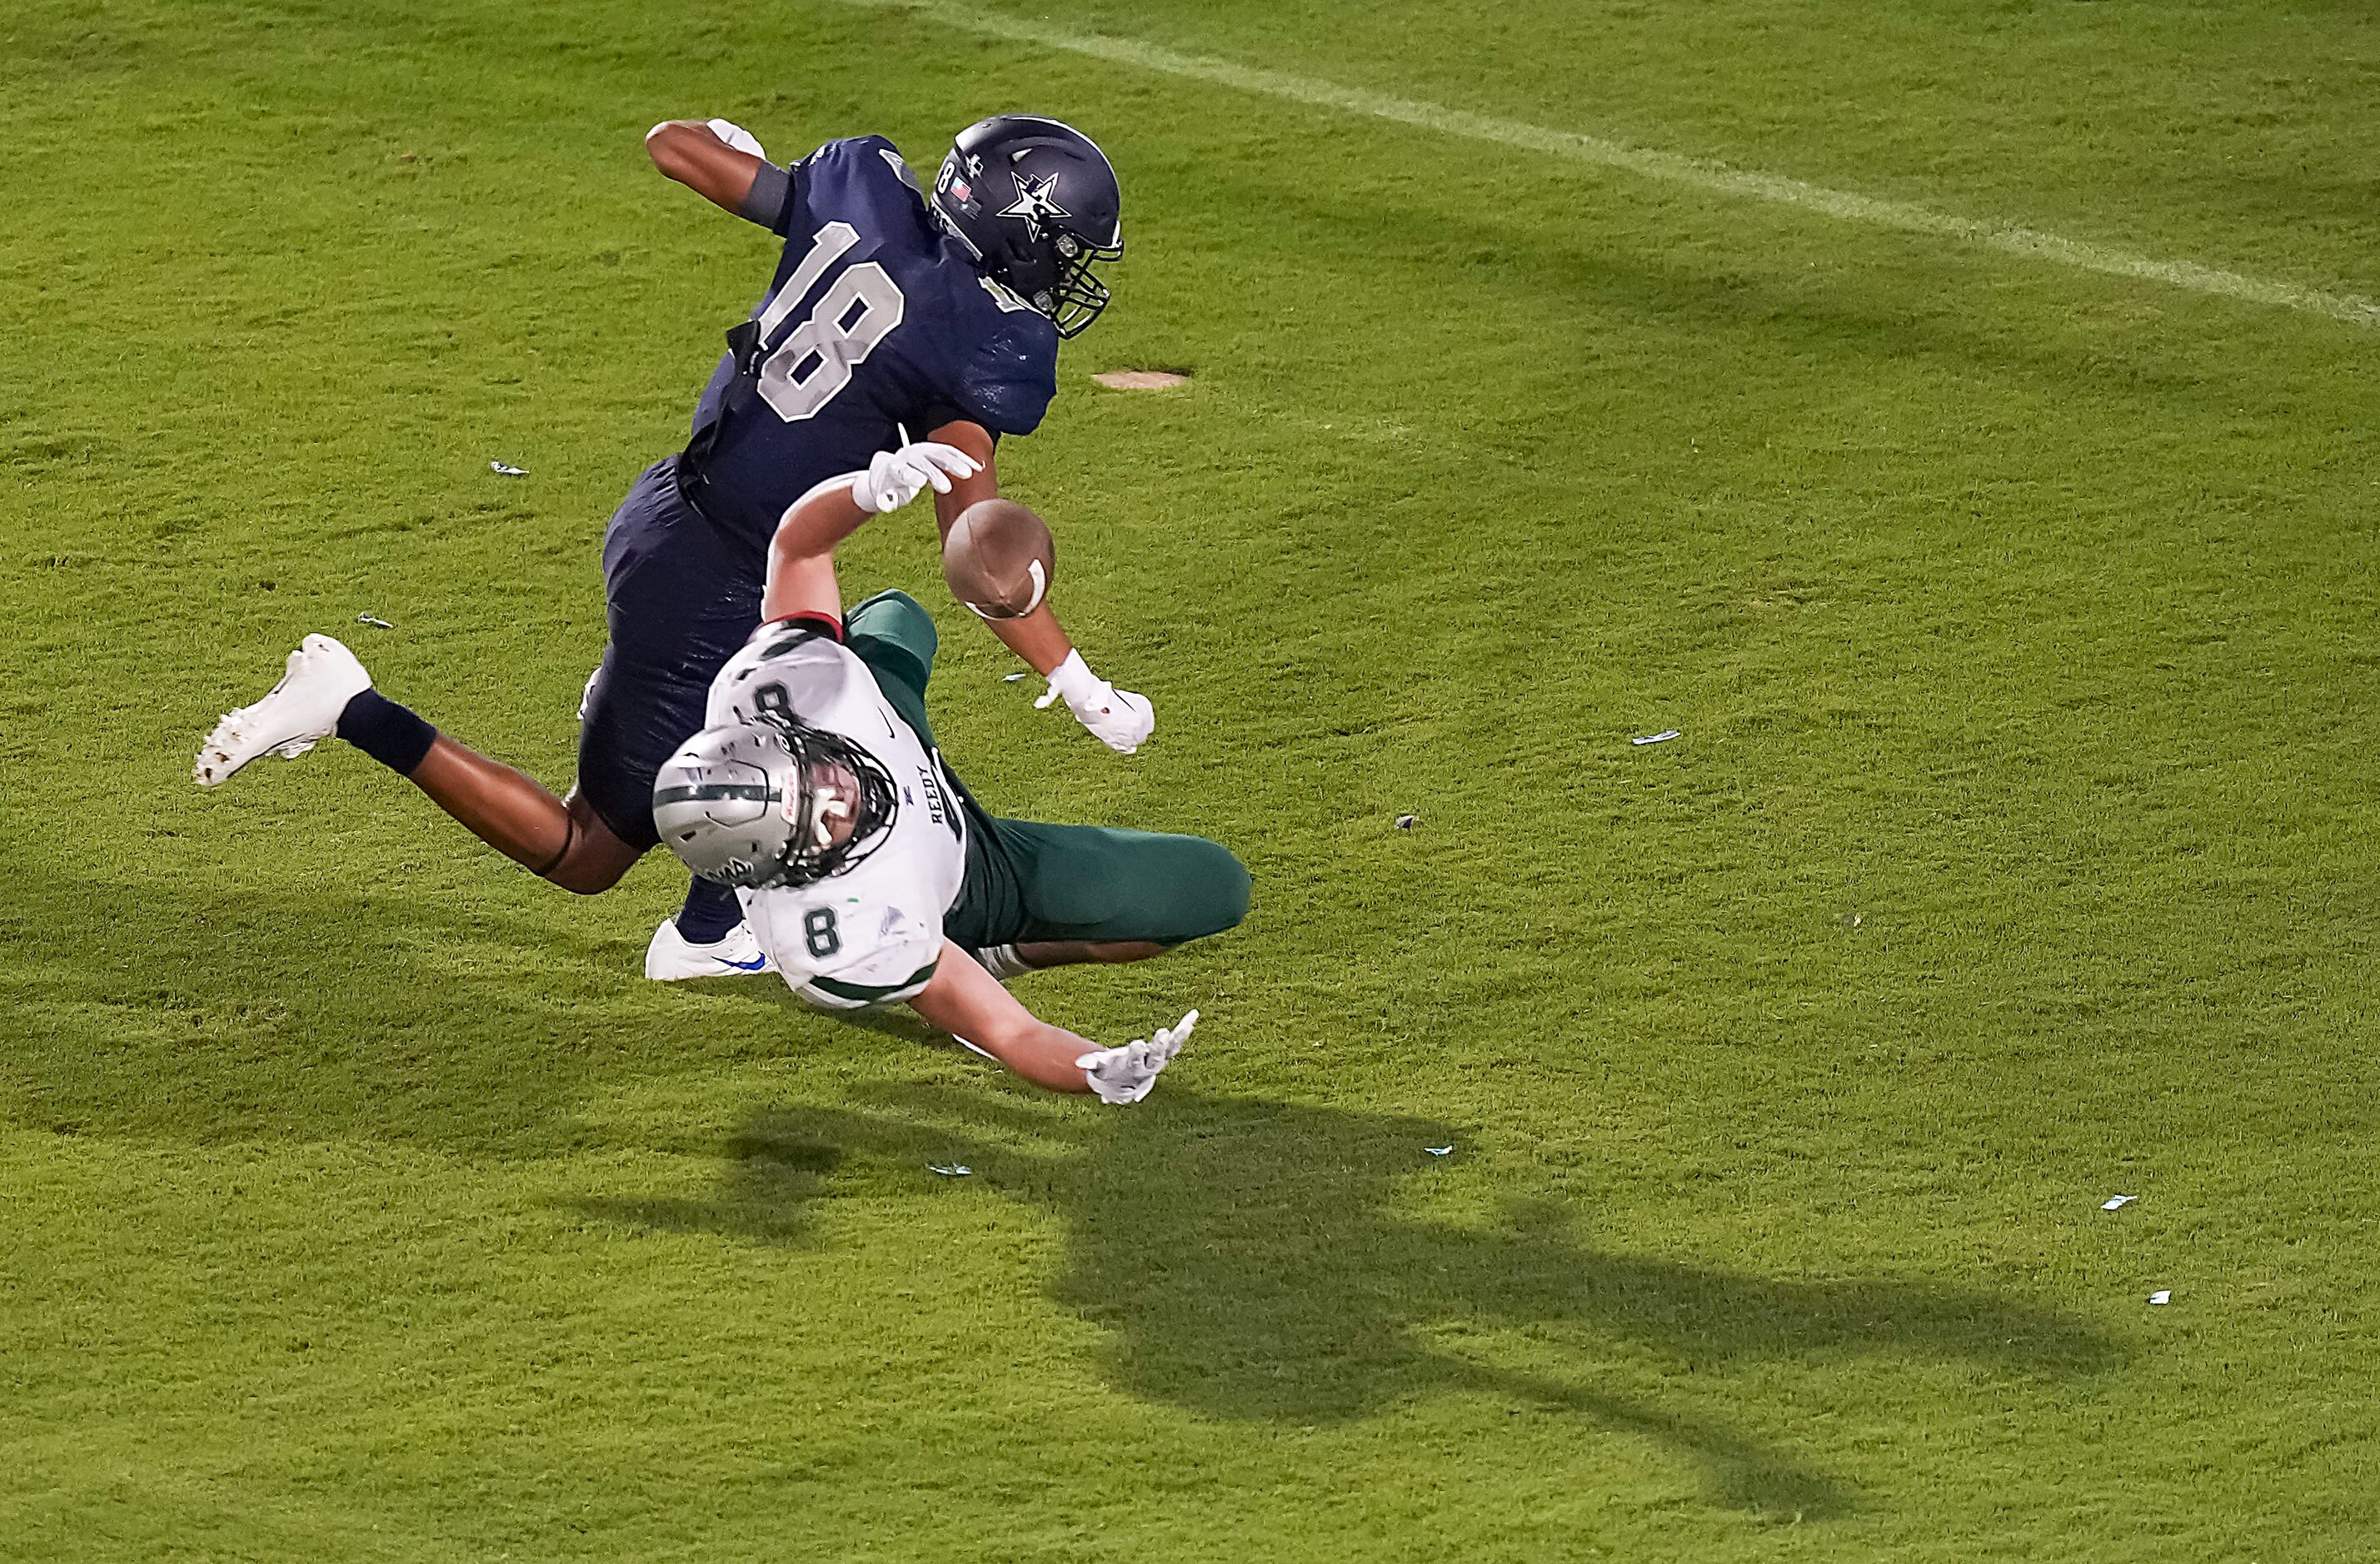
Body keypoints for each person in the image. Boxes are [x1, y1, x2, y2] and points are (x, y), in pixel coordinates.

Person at [194, 110, 1158, 981]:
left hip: (672, 509)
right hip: (714, 582)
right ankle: (351, 708)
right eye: (1066, 248)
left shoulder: (861, 186)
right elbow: (980, 562)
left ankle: (706, 905)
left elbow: (672, 148)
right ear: (1018, 230)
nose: (1070, 274)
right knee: (585, 854)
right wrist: (1078, 684)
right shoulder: (988, 346)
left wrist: (733, 144)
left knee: (815, 705)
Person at [194, 441, 1248, 1103]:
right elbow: (1005, 1031)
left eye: (819, 781)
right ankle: (1007, 939)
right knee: (1210, 888)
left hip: (897, 738)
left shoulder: (781, 686)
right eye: (825, 821)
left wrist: (862, 490)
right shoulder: (832, 929)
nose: (840, 797)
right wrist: (1090, 1067)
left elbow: (797, 543)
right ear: (785, 871)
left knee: (893, 619)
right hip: (968, 873)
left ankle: (609, 708)